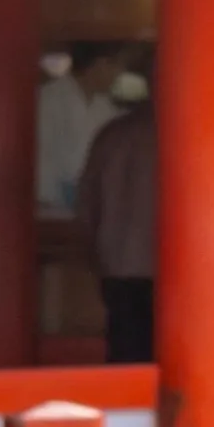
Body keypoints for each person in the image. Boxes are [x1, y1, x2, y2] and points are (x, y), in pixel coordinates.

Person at [75, 61, 162, 367]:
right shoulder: (192, 137)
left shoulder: (111, 135)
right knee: (174, 361)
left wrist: (96, 254)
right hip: (173, 268)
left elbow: (85, 205)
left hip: (118, 264)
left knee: (125, 355)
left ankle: (127, 413)